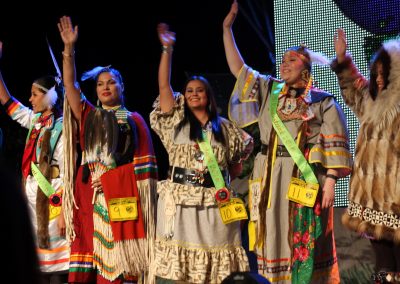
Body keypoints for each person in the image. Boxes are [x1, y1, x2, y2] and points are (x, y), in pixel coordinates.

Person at [222, 1, 353, 283]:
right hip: (269, 174)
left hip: (304, 178)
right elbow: (238, 68)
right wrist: (227, 30)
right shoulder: (270, 88)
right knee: (273, 233)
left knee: (304, 236)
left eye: (291, 60)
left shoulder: (322, 100)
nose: (284, 64)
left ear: (306, 68)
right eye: (282, 60)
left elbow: (334, 141)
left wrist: (330, 179)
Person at [150, 23, 254, 284]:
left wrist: (218, 181)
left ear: (208, 96)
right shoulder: (173, 123)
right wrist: (167, 49)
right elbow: (164, 86)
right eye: (189, 90)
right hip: (181, 201)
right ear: (183, 98)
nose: (194, 94)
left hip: (214, 204)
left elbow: (237, 168)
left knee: (215, 262)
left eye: (199, 90)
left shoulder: (227, 130)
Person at [58, 16, 158, 283]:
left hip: (118, 198)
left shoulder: (134, 119)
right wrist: (69, 50)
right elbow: (70, 86)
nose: (105, 87)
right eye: (100, 84)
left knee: (116, 266)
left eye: (111, 82)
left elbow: (144, 172)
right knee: (85, 260)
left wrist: (112, 181)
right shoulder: (88, 115)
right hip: (87, 196)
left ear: (122, 87)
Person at [333, 29, 400, 282]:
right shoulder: (368, 101)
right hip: (371, 200)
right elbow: (352, 86)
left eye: (386, 74)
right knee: (383, 267)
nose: (380, 80)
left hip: (396, 200)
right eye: (376, 73)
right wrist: (342, 58)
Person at [0, 41, 69, 283]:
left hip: (54, 199)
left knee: (58, 269)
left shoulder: (64, 126)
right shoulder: (34, 121)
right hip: (31, 200)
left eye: (35, 94)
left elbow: (68, 170)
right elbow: (7, 102)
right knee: (37, 269)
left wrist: (65, 212)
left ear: (50, 96)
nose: (29, 99)